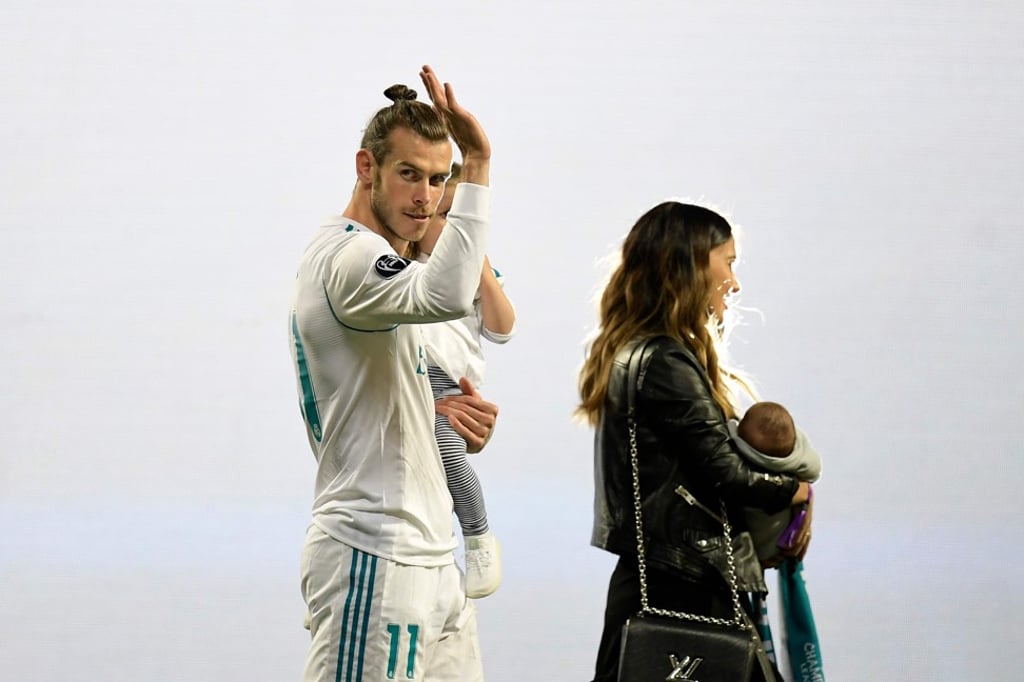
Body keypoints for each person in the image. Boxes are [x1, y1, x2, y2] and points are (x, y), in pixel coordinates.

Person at [288, 65, 497, 682]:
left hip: (431, 558)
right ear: (366, 168)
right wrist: (477, 163)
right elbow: (451, 293)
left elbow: (376, 378)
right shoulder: (349, 256)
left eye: (438, 179)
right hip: (373, 555)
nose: (425, 197)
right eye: (409, 174)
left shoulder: (385, 265)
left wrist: (435, 414)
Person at [577, 201, 814, 682]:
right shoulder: (665, 361)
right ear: (689, 263)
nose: (734, 281)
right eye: (727, 262)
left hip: (666, 587)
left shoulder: (638, 353)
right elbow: (724, 471)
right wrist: (795, 492)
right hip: (683, 589)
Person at [414, 161, 516, 599]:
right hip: (413, 382)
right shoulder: (400, 264)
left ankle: (477, 536)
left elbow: (502, 329)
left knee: (449, 457)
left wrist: (481, 264)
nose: (452, 226)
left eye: (461, 217)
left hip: (454, 389)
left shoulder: (471, 271)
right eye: (442, 216)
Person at [729, 401, 822, 561]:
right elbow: (813, 473)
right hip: (778, 539)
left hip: (747, 543)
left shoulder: (737, 455)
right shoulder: (798, 457)